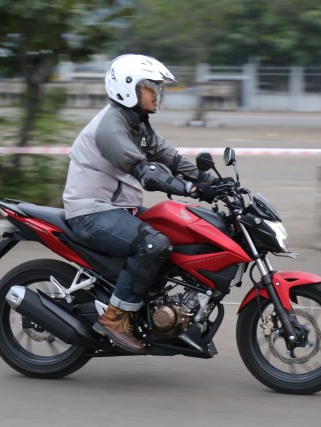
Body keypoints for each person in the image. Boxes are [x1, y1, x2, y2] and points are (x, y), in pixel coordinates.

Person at [62, 54, 216, 354]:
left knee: (181, 230)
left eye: (158, 88)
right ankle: (115, 317)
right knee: (153, 244)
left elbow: (169, 156)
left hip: (118, 209)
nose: (157, 94)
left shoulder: (138, 124)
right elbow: (144, 171)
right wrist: (187, 187)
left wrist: (207, 180)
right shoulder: (111, 127)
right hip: (91, 212)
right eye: (151, 87)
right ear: (128, 87)